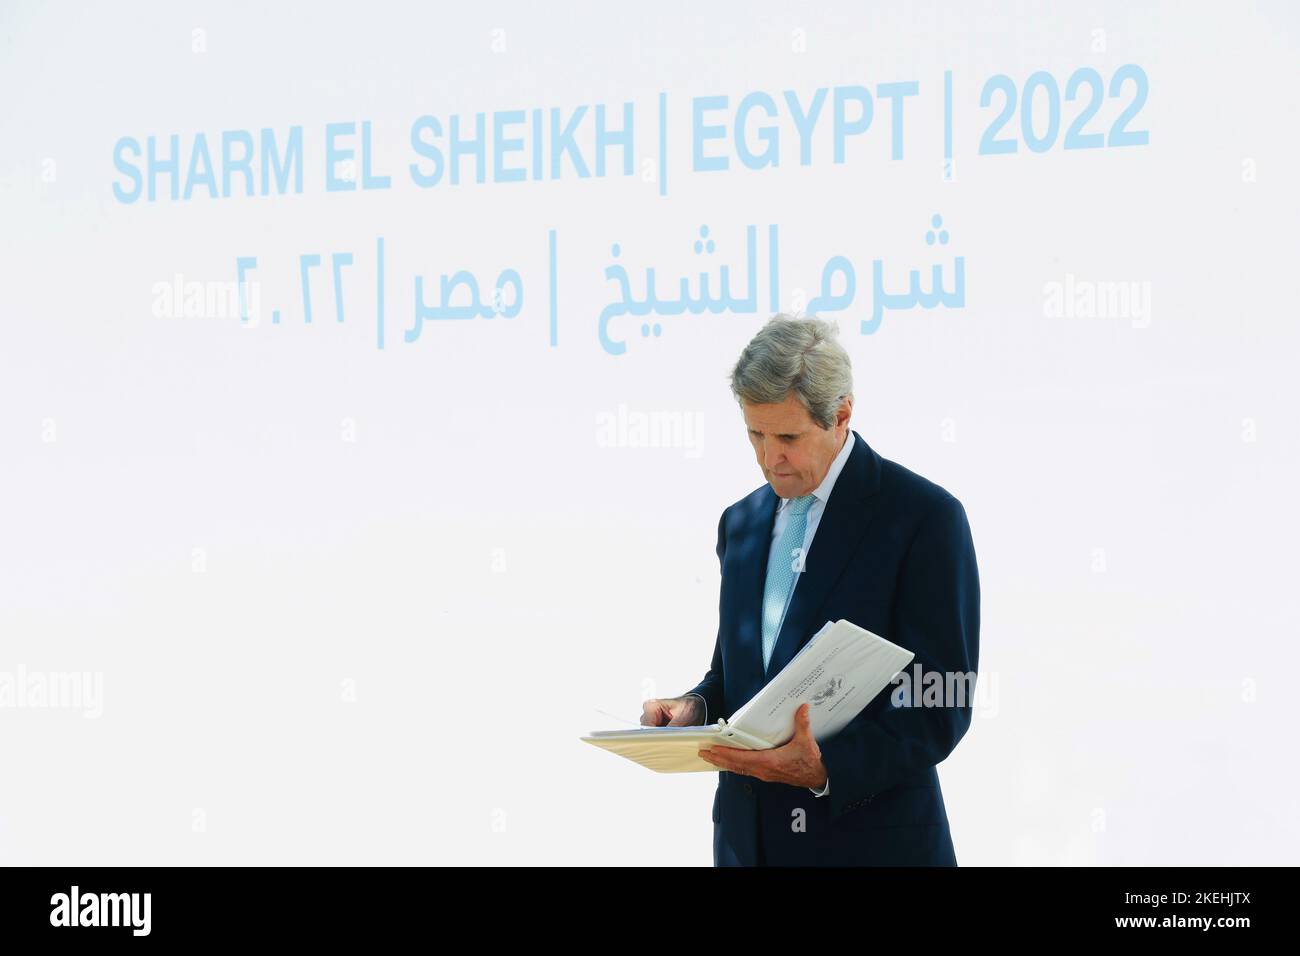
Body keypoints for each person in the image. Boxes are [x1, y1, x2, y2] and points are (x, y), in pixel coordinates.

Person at [641, 314, 980, 866]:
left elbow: (942, 700)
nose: (769, 458)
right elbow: (740, 680)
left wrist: (827, 769)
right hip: (748, 847)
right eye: (755, 434)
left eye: (789, 437)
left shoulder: (924, 519)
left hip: (871, 847)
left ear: (842, 414)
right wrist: (696, 706)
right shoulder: (740, 522)